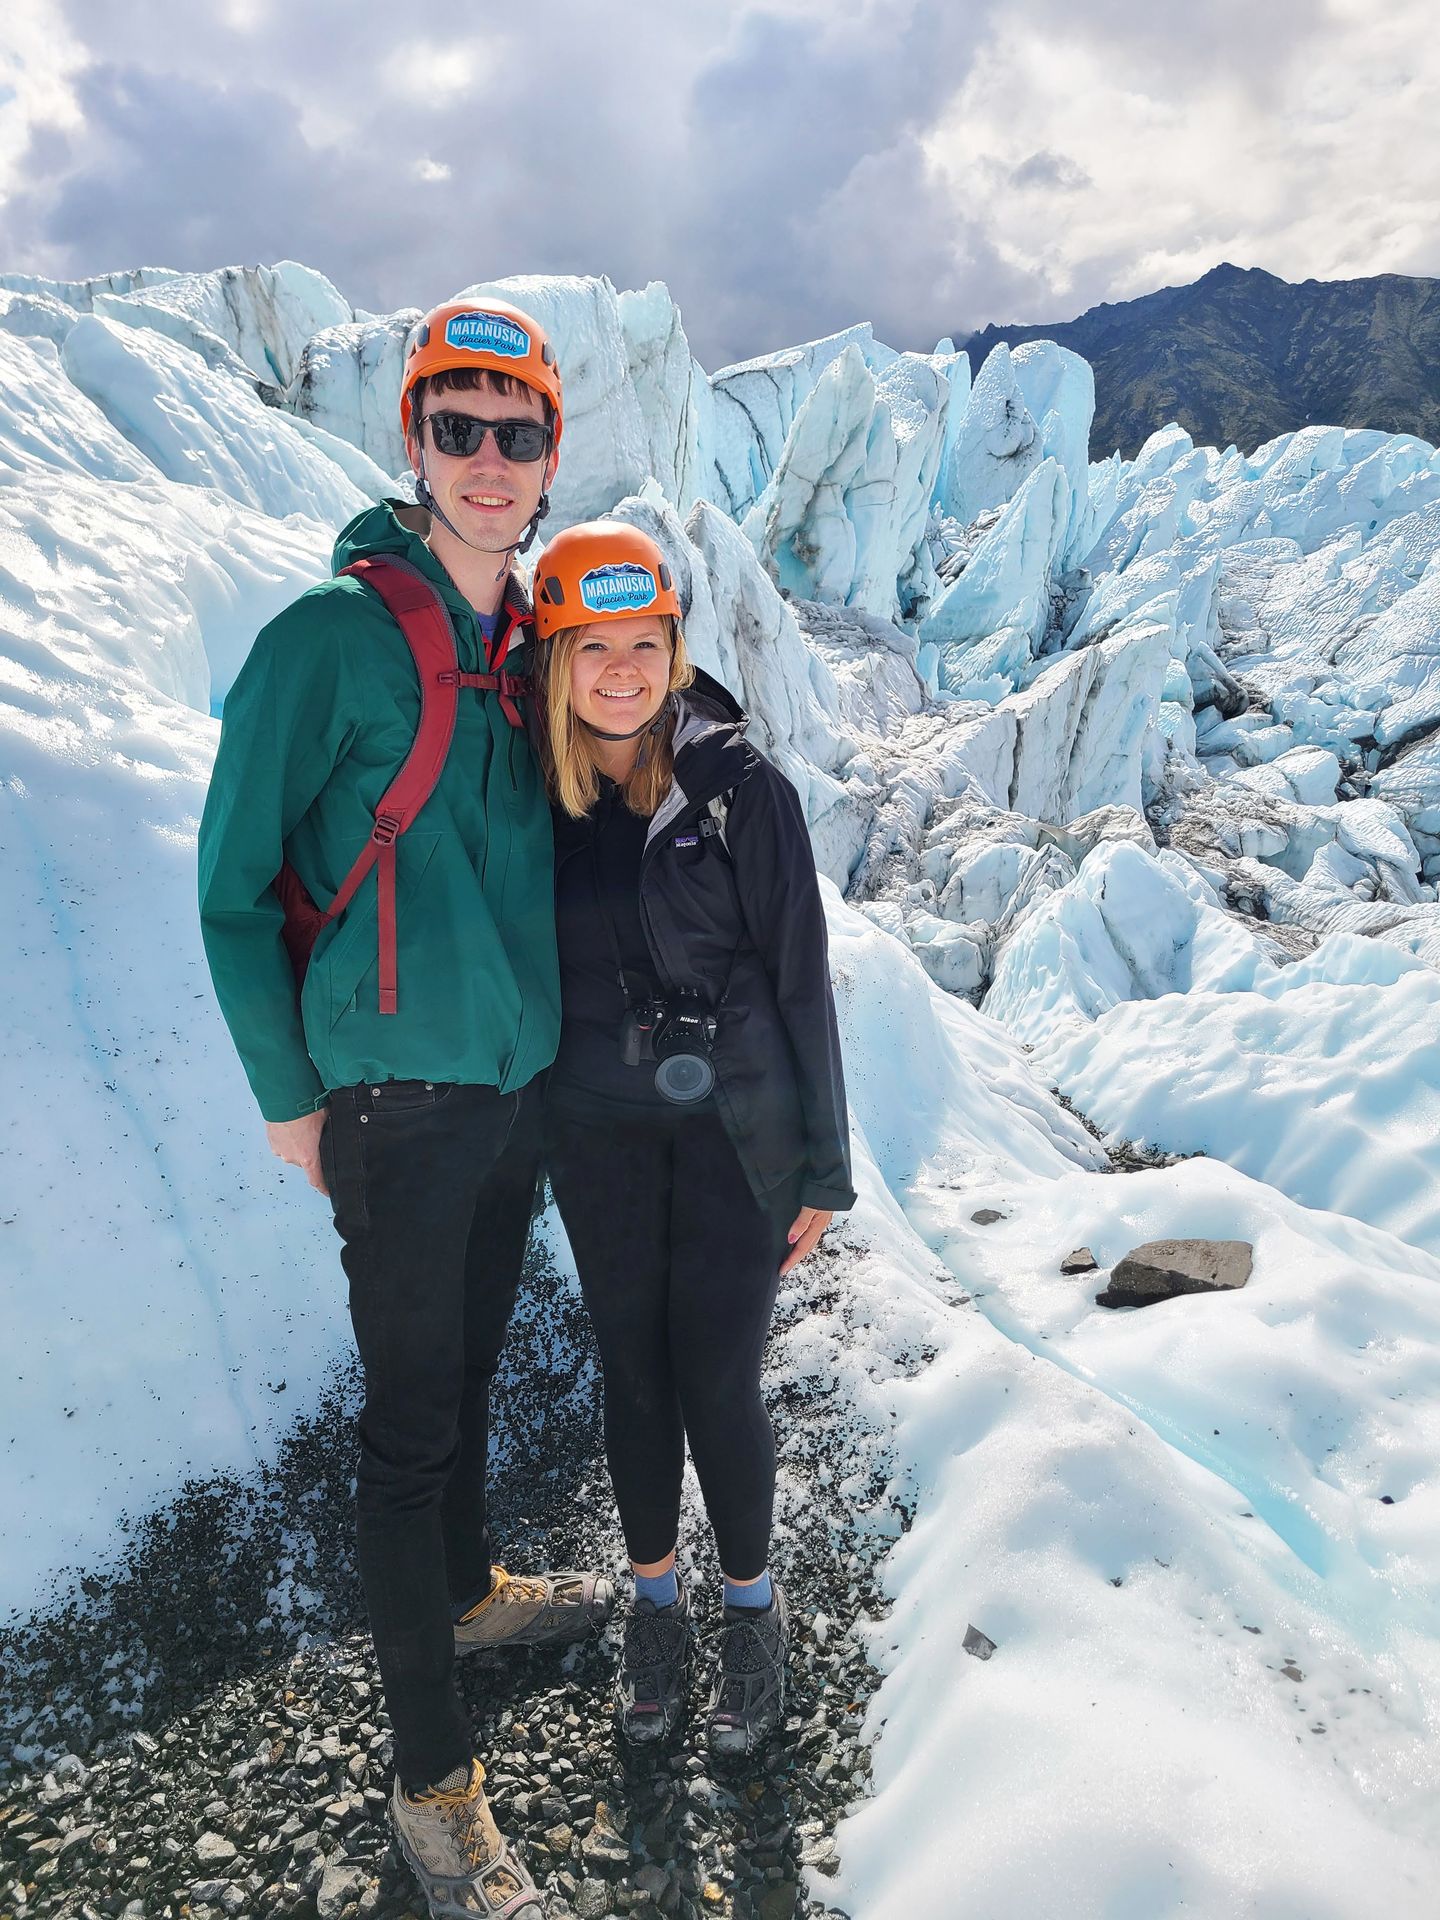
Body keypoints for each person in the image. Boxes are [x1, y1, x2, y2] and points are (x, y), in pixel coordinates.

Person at [198, 298, 612, 1920]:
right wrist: (288, 1097)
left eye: (519, 433)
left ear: (551, 454)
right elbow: (233, 888)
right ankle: (435, 1795)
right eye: (461, 427)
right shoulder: (326, 640)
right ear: (412, 442)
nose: (492, 462)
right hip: (392, 1108)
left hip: (512, 1099)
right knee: (407, 1429)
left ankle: (466, 1591)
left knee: (473, 1367)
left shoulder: (533, 649)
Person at [531, 520, 857, 1760]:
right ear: (557, 661)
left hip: (731, 1134)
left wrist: (821, 1166)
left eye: (645, 642)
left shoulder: (741, 792)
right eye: (594, 645)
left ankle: (752, 1609)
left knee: (716, 1376)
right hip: (596, 1132)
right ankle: (655, 1603)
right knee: (634, 1371)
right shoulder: (537, 800)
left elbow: (800, 977)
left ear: (677, 648)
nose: (622, 668)